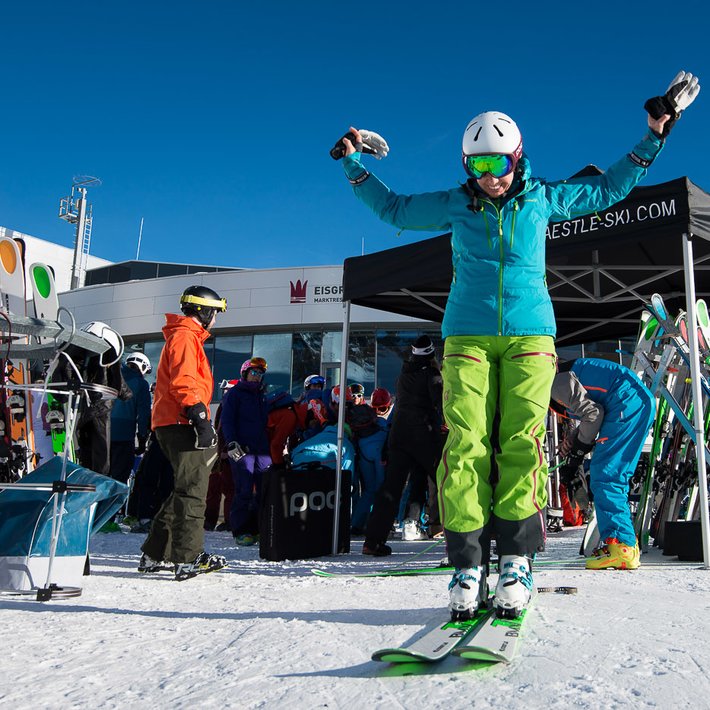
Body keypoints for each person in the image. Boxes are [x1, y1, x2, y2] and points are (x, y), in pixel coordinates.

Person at [338, 70, 699, 618]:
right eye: (479, 166)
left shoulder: (543, 200)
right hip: (465, 336)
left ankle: (515, 560)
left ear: (518, 157)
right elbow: (394, 209)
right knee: (465, 445)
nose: (491, 177)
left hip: (531, 334)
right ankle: (465, 564)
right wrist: (351, 163)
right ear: (466, 166)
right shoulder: (457, 205)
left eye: (500, 163)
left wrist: (654, 134)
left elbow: (609, 189)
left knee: (520, 443)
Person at [138, 285, 228, 580]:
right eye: (215, 312)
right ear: (204, 311)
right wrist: (199, 416)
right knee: (193, 491)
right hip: (182, 422)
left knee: (184, 488)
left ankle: (154, 554)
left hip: (174, 421)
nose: (215, 319)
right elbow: (184, 379)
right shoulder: (185, 336)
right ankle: (188, 558)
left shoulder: (185, 336)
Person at [551, 358, 655, 570]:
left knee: (607, 476)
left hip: (627, 403)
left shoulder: (551, 382)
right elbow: (592, 410)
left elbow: (593, 414)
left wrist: (578, 452)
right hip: (630, 401)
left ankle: (622, 544)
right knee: (607, 474)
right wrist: (575, 439)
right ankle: (621, 543)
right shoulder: (553, 377)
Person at [361, 335, 443, 554]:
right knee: (446, 482)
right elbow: (439, 403)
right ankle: (461, 537)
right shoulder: (431, 374)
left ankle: (373, 541)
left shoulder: (403, 375)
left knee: (391, 488)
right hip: (423, 435)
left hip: (399, 436)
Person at [221, 357, 271, 547]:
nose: (257, 377)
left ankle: (258, 528)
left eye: (260, 374)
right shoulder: (234, 394)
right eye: (254, 373)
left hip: (262, 450)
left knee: (263, 490)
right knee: (244, 490)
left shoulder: (263, 396)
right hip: (242, 449)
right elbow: (227, 420)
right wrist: (232, 442)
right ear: (245, 373)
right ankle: (242, 530)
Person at [110, 352, 152, 485]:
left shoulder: (112, 378)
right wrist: (142, 439)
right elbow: (143, 414)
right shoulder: (141, 384)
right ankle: (115, 506)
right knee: (119, 479)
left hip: (103, 434)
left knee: (101, 475)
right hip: (124, 436)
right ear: (143, 367)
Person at [204, 379, 238, 531]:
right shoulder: (225, 405)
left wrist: (225, 451)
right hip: (222, 452)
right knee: (215, 486)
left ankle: (229, 521)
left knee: (229, 488)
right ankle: (210, 520)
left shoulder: (234, 405)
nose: (224, 392)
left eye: (227, 389)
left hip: (230, 452)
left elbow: (228, 430)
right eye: (224, 390)